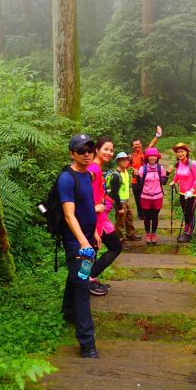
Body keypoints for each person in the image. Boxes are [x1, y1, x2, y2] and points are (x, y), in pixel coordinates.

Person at [58, 133, 101, 358]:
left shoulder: (87, 175)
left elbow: (88, 207)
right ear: (71, 153)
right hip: (76, 242)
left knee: (77, 277)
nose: (87, 154)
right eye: (81, 150)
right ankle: (87, 343)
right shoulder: (67, 178)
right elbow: (69, 215)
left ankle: (67, 312)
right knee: (83, 285)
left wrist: (94, 232)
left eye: (90, 150)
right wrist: (83, 242)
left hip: (86, 239)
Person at [87, 137, 123, 296]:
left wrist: (107, 201)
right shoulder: (93, 169)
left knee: (92, 253)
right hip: (94, 219)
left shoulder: (97, 168)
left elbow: (97, 192)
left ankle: (88, 280)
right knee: (114, 247)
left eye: (111, 150)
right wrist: (94, 206)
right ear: (97, 150)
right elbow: (81, 191)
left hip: (99, 217)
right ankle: (89, 280)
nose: (109, 152)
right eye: (106, 149)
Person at [138, 147, 171, 244]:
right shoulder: (142, 169)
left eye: (154, 156)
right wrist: (135, 175)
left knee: (155, 216)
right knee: (146, 216)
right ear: (147, 157)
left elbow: (164, 182)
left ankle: (154, 234)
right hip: (145, 196)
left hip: (157, 196)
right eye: (150, 156)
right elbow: (140, 184)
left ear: (157, 157)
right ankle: (148, 234)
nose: (152, 158)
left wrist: (168, 173)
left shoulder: (160, 168)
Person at [129, 125, 162, 222]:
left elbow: (152, 144)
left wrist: (157, 135)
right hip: (135, 181)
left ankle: (149, 214)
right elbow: (125, 166)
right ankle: (140, 214)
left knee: (148, 198)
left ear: (141, 145)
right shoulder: (130, 157)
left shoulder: (146, 153)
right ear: (132, 146)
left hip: (146, 180)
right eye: (135, 145)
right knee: (138, 198)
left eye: (138, 144)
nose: (137, 146)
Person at [169, 143, 196, 243]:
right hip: (182, 193)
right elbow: (177, 175)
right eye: (178, 152)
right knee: (185, 213)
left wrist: (191, 191)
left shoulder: (192, 163)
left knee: (189, 214)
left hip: (192, 194)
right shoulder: (179, 163)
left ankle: (188, 234)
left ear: (186, 152)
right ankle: (186, 231)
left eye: (182, 151)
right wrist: (174, 181)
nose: (180, 154)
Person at [110, 152, 141, 246]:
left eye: (126, 159)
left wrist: (135, 176)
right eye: (122, 160)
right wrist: (119, 207)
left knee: (129, 218)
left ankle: (130, 234)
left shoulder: (125, 171)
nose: (125, 161)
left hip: (126, 200)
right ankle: (118, 238)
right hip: (120, 202)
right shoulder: (116, 175)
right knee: (120, 222)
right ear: (118, 161)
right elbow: (114, 193)